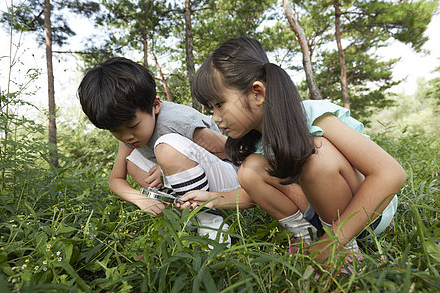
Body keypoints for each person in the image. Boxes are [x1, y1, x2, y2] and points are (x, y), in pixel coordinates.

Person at [177, 37, 406, 263]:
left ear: (257, 93)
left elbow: (390, 174)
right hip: (324, 217)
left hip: (367, 215)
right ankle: (308, 237)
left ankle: (343, 252)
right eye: (211, 108)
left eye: (219, 104)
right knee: (249, 171)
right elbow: (255, 192)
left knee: (315, 155)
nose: (216, 118)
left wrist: (335, 241)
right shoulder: (256, 139)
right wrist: (213, 199)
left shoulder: (314, 116)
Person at [77, 57, 241, 247]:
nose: (127, 137)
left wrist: (165, 169)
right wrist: (142, 200)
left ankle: (210, 224)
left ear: (155, 105)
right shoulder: (129, 135)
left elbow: (230, 151)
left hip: (232, 179)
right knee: (133, 161)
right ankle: (183, 214)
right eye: (116, 131)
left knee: (167, 148)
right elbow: (116, 180)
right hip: (199, 181)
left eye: (133, 126)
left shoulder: (175, 122)